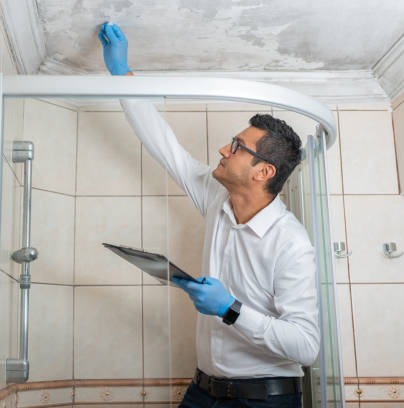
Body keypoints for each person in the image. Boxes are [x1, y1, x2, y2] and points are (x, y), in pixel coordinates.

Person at [98, 23, 320, 408]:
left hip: (265, 400)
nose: (222, 148)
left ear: (263, 171)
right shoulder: (217, 197)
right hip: (203, 392)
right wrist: (123, 76)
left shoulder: (292, 243)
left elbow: (306, 347)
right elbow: (164, 146)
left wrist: (230, 310)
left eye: (236, 146)